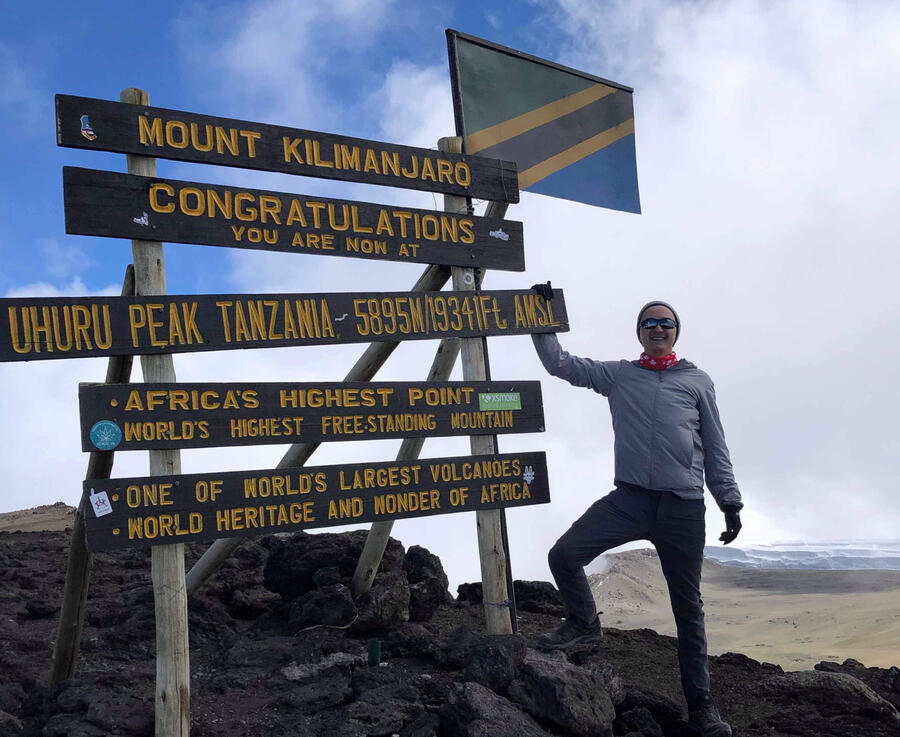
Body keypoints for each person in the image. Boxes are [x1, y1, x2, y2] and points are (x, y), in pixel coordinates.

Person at [529, 283, 742, 737]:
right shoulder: (619, 374)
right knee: (563, 556)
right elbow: (560, 364)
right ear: (639, 332)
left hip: (683, 507)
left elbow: (716, 445)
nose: (658, 328)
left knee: (688, 610)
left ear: (676, 331)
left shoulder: (697, 381)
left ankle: (702, 709)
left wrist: (730, 500)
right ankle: (584, 625)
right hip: (629, 500)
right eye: (650, 322)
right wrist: (541, 317)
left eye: (666, 322)